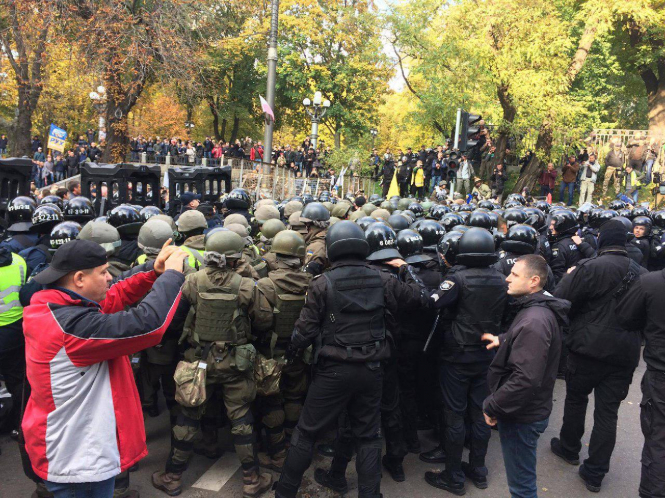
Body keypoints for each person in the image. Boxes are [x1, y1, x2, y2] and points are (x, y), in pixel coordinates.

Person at [274, 221, 429, 498]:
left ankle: (285, 492)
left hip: (332, 371)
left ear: (332, 248)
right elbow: (419, 298)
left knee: (306, 433)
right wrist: (404, 267)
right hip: (372, 370)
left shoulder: (322, 283)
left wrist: (292, 354)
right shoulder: (384, 280)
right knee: (369, 436)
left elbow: (305, 331)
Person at [22, 239, 187, 498]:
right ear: (78, 279)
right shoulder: (72, 328)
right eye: (103, 272)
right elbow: (149, 324)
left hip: (74, 450)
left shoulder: (54, 307)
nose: (110, 278)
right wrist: (173, 275)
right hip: (80, 461)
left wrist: (152, 272)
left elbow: (115, 294)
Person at [153, 230, 274, 498]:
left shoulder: (192, 282)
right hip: (235, 364)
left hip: (198, 362)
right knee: (242, 419)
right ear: (235, 258)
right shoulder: (245, 285)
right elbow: (264, 322)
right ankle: (252, 480)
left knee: (188, 417)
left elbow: (174, 321)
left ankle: (171, 477)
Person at [551, 219, 646, 492]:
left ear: (601, 239)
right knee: (608, 412)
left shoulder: (589, 267)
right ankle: (595, 472)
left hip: (586, 348)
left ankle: (569, 447)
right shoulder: (642, 273)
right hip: (624, 352)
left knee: (576, 398)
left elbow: (561, 299)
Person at [425, 228, 508, 496]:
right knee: (480, 414)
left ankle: (453, 475)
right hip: (486, 355)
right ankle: (479, 470)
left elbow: (434, 302)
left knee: (454, 416)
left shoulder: (457, 279)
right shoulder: (500, 278)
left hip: (457, 356)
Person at [482, 255, 569, 498]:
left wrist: (492, 406)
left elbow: (525, 379)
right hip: (528, 409)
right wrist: (504, 339)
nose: (507, 278)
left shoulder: (534, 320)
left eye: (515, 275)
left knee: (522, 487)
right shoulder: (536, 309)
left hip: (523, 415)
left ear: (534, 281)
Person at [252, 230, 311, 471]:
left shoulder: (265, 285)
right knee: (295, 396)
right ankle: (292, 443)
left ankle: (278, 453)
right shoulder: (313, 283)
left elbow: (260, 323)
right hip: (299, 353)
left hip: (269, 355)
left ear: (276, 256)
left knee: (272, 402)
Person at [615, 256, 665, 498]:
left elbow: (625, 317)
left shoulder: (651, 283)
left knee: (659, 438)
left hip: (661, 376)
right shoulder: (651, 282)